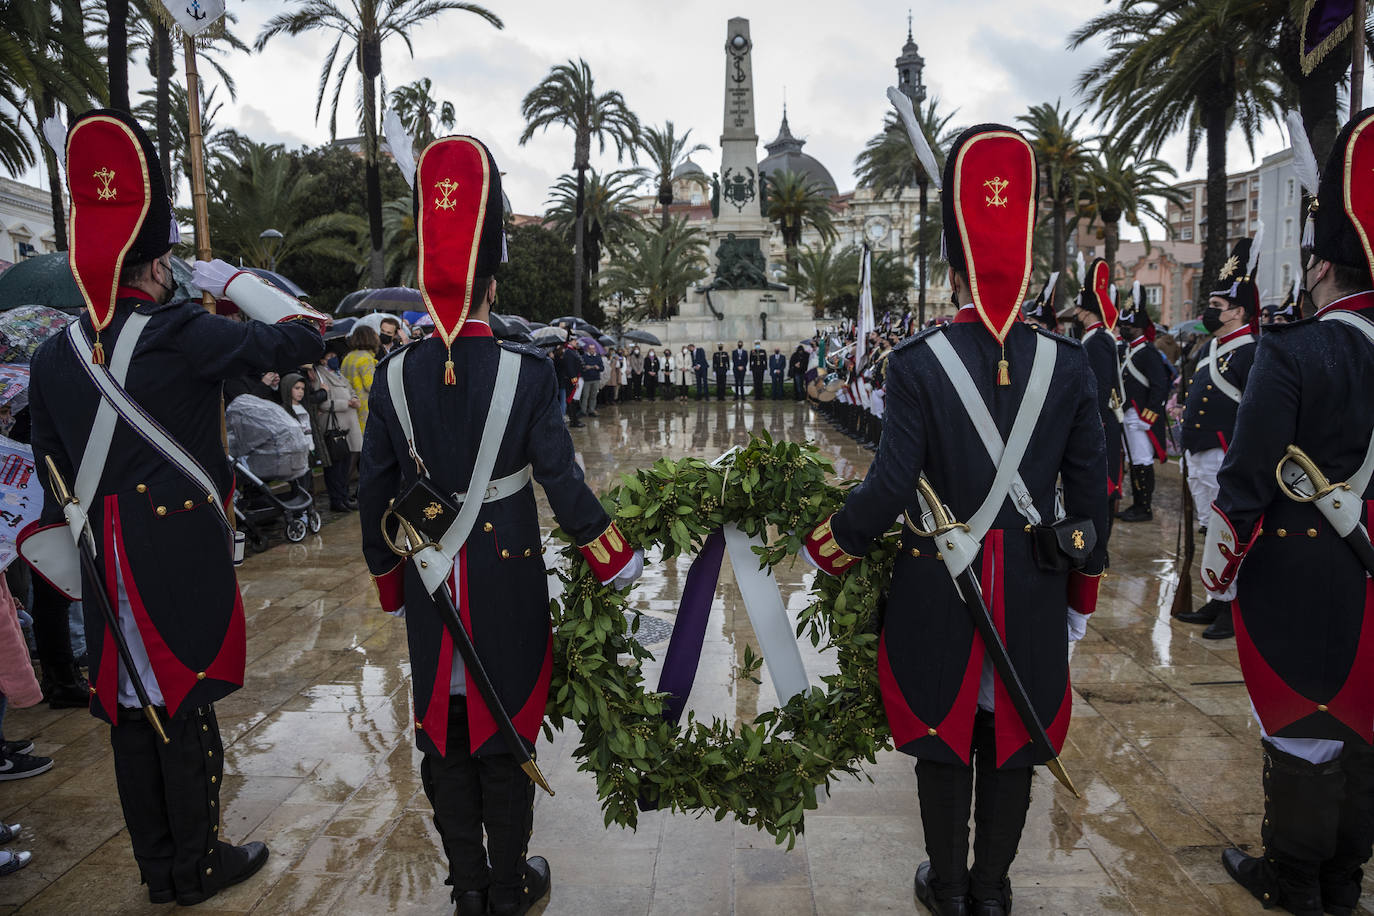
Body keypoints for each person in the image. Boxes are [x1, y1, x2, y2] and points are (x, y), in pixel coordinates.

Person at [20, 108, 324, 906]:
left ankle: (157, 866)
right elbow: (297, 343)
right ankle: (198, 865)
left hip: (103, 555)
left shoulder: (56, 354)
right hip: (171, 554)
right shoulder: (183, 329)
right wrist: (247, 289)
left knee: (128, 710)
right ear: (155, 265)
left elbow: (51, 458)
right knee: (181, 702)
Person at [801, 124, 1106, 916]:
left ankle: (947, 883)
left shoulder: (918, 362)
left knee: (943, 733)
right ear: (1027, 254)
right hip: (1034, 587)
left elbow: (893, 483)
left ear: (955, 260)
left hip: (939, 586)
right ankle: (994, 890)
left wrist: (832, 546)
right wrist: (1081, 596)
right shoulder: (1068, 365)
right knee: (1013, 736)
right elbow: (1091, 504)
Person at [359, 135, 641, 916]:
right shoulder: (527, 371)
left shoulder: (392, 376)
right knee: (504, 719)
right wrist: (613, 557)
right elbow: (562, 482)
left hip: (426, 582)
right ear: (491, 281)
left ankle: (469, 886)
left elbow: (372, 490)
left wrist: (391, 584)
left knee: (444, 722)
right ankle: (509, 884)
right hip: (506, 577)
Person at [1206, 108, 1374, 916]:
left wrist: (1220, 572)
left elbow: (1243, 484)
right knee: (1368, 728)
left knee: (1306, 729)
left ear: (1318, 269)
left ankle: (1297, 882)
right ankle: (1345, 880)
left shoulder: (1294, 349)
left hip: (1304, 582)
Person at [1173, 239, 1260, 640]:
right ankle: (1217, 598)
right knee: (1210, 528)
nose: (1210, 312)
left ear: (1239, 311)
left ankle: (1235, 608)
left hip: (1224, 455)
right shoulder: (1211, 349)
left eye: (1218, 306)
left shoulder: (1251, 353)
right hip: (1199, 453)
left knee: (1230, 533)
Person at [1070, 258, 1125, 546]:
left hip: (1102, 423)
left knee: (1102, 487)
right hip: (1098, 422)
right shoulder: (1093, 337)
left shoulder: (1099, 340)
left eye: (1079, 304)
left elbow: (1101, 389)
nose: (1075, 310)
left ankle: (1101, 547)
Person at [1115, 288, 1170, 522]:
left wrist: (1147, 416)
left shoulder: (1148, 353)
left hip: (1140, 417)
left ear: (1138, 326)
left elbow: (1160, 386)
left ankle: (1143, 507)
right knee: (1133, 460)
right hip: (1128, 414)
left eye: (1128, 326)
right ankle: (1137, 504)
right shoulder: (1128, 350)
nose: (1123, 329)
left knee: (1142, 460)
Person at [313, 351, 362, 511]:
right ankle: (337, 499)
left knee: (346, 464)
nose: (334, 359)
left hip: (348, 425)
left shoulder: (339, 374)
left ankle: (344, 497)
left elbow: (351, 389)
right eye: (330, 356)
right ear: (322, 360)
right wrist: (346, 403)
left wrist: (354, 399)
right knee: (335, 466)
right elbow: (323, 403)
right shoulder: (319, 376)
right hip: (334, 427)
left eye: (336, 355)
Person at [342, 325, 381, 433]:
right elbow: (371, 385)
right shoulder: (366, 359)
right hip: (365, 408)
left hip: (352, 405)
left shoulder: (349, 356)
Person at [559, 340, 584, 427]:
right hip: (571, 380)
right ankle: (574, 421)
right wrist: (574, 381)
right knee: (571, 400)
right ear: (569, 342)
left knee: (573, 400)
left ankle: (575, 420)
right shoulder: (568, 352)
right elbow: (570, 368)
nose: (576, 342)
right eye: (574, 341)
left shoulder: (572, 351)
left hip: (575, 378)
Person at [579, 345, 603, 418]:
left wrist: (598, 367)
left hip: (596, 379)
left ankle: (591, 411)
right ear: (588, 349)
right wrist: (585, 368)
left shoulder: (598, 357)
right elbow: (581, 367)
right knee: (585, 396)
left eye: (593, 349)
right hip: (587, 379)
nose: (592, 350)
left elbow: (602, 368)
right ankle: (583, 411)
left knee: (593, 396)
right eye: (590, 349)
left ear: (595, 349)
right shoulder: (584, 357)